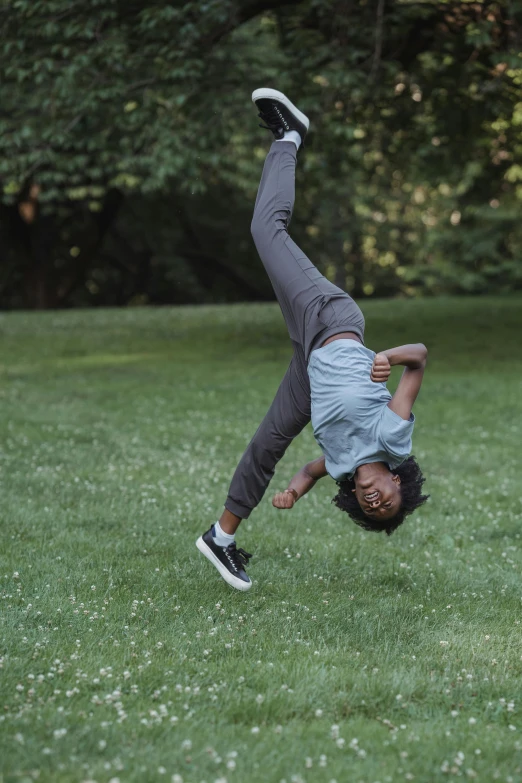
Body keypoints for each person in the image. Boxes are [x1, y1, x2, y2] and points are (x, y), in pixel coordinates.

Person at [196, 88, 429, 591]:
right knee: (266, 230)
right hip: (331, 321)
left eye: (372, 511)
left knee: (267, 444)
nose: (375, 502)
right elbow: (421, 360)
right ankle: (291, 136)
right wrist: (389, 356)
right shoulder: (392, 438)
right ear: (396, 479)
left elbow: (308, 466)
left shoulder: (345, 464)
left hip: (310, 366)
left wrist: (296, 492)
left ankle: (221, 537)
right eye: (387, 501)